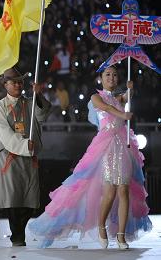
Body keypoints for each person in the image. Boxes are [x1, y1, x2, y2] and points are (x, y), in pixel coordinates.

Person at [28, 66, 152, 249]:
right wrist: (122, 114)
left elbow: (127, 97)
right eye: (107, 74)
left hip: (123, 146)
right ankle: (101, 225)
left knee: (124, 189)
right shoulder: (96, 97)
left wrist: (130, 89)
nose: (111, 77)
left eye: (114, 75)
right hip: (106, 146)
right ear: (101, 78)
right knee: (110, 191)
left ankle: (121, 236)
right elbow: (106, 107)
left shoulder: (119, 97)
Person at [0, 66, 51, 247]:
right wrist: (24, 144)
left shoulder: (29, 102)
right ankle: (17, 235)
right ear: (5, 85)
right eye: (14, 82)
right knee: (13, 198)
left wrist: (38, 95)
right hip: (10, 157)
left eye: (20, 81)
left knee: (31, 200)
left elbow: (42, 115)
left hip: (29, 156)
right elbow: (5, 134)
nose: (18, 85)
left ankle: (19, 231)